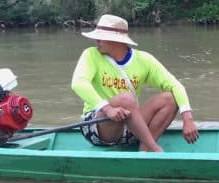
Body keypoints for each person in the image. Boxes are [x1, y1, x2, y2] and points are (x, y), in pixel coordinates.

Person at [71, 14, 199, 152]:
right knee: (126, 99)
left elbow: (176, 85)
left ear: (116, 40)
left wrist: (187, 118)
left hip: (130, 127)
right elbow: (78, 83)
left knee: (170, 98)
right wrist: (108, 109)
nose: (96, 40)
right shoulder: (91, 55)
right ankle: (154, 148)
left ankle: (144, 149)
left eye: (101, 37)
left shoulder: (144, 60)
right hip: (98, 126)